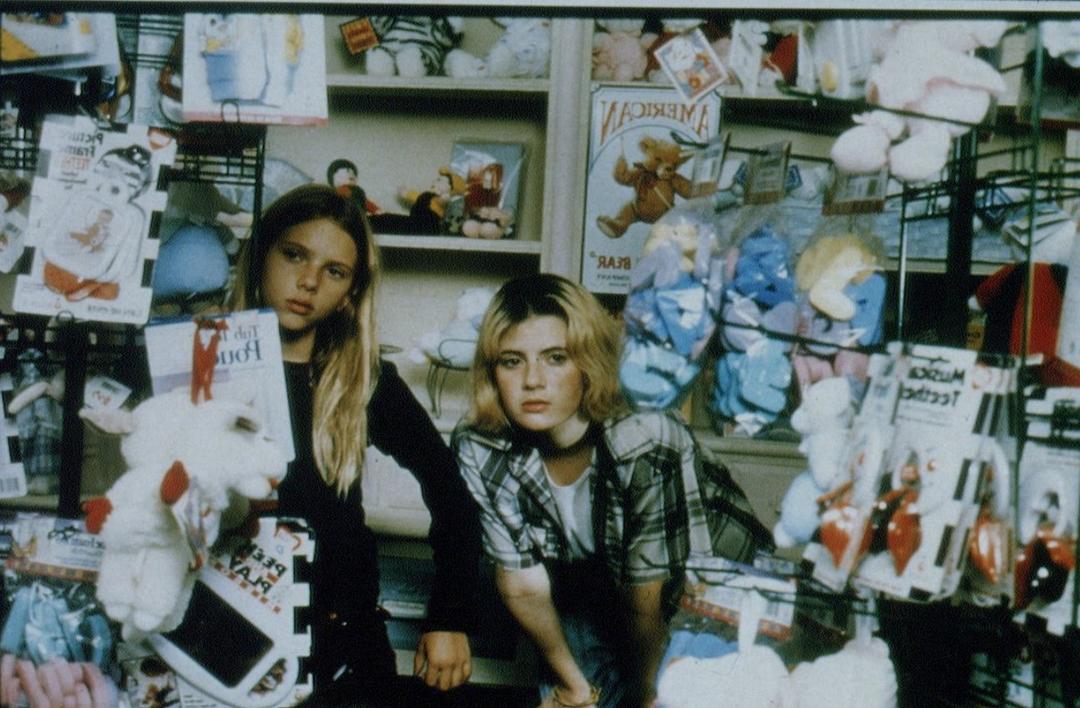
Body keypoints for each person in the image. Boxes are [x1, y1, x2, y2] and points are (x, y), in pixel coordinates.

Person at [452, 273, 773, 708]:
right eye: (512, 361)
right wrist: (574, 687)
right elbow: (523, 586)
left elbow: (648, 598)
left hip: (719, 589)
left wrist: (646, 694)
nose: (532, 381)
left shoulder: (645, 435)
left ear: (588, 362)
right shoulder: (480, 444)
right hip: (599, 586)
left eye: (556, 358)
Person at [231, 183, 481, 706]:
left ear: (350, 290)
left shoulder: (364, 381)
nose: (308, 281)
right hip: (222, 638)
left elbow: (453, 494)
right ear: (261, 254)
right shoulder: (199, 360)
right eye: (294, 254)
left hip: (343, 649)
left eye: (334, 271)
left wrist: (449, 616)